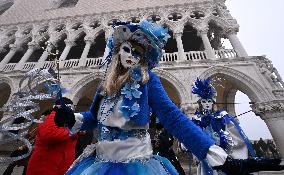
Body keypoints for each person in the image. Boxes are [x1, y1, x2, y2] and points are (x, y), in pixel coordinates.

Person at [65, 21, 283, 175]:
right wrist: (71, 117)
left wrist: (219, 157)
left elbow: (173, 118)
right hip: (99, 162)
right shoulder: (106, 85)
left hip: (136, 165)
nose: (131, 56)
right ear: (117, 51)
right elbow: (92, 117)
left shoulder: (149, 81)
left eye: (137, 53)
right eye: (126, 50)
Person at [191, 78, 284, 175]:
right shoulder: (196, 119)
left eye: (209, 101)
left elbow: (235, 137)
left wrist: (226, 140)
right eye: (204, 101)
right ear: (200, 103)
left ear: (213, 102)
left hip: (225, 155)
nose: (207, 104)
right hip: (207, 156)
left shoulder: (222, 116)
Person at [26, 97, 82, 175]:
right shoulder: (52, 118)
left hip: (57, 169)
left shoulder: (62, 120)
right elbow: (50, 134)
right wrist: (74, 130)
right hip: (45, 169)